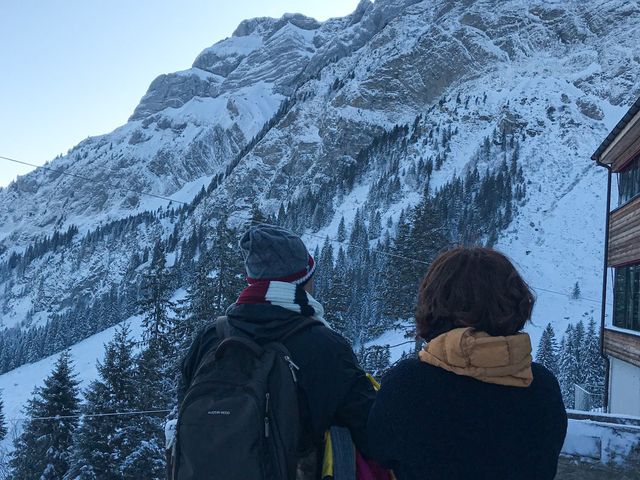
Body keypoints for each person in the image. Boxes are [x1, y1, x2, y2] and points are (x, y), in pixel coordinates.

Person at [177, 224, 375, 479]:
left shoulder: (211, 337)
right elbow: (373, 433)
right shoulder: (325, 346)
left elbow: (184, 402)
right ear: (303, 280)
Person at [367, 247, 567, 480]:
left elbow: (379, 450)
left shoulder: (407, 385)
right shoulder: (541, 387)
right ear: (516, 304)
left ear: (433, 305)